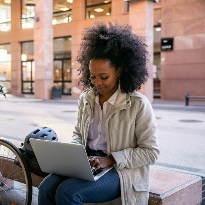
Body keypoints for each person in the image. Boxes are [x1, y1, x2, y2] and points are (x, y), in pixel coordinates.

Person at [38, 22, 160, 205]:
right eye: (92, 76)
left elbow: (150, 152)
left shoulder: (137, 104)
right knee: (46, 187)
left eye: (104, 77)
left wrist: (110, 159)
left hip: (121, 171)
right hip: (88, 163)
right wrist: (75, 156)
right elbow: (79, 134)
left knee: (68, 193)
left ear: (119, 71)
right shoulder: (86, 99)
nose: (97, 83)